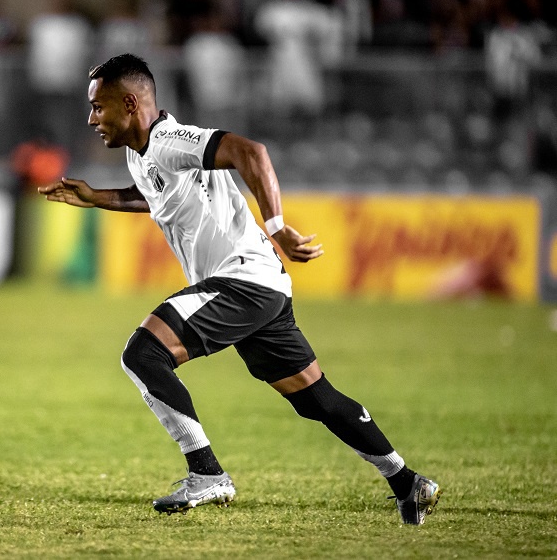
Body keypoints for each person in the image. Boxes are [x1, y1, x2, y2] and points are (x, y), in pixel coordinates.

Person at [38, 53, 441, 525]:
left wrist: (278, 225)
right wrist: (98, 198)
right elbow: (153, 194)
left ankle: (206, 472)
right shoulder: (140, 151)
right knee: (315, 398)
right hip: (261, 287)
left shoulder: (169, 140)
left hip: (242, 280)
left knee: (143, 354)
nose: (91, 119)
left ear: (129, 103)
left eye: (98, 107)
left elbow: (252, 152)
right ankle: (408, 482)